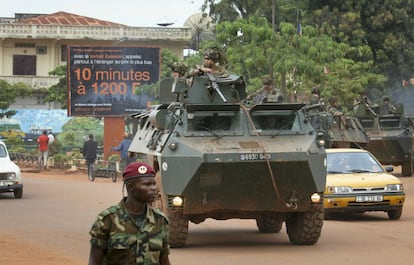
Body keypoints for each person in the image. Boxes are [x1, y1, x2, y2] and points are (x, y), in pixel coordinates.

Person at [88, 162, 171, 265]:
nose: (154, 188)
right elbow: (94, 261)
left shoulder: (160, 220)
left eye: (154, 184)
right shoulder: (107, 220)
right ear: (131, 187)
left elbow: (164, 260)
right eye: (147, 184)